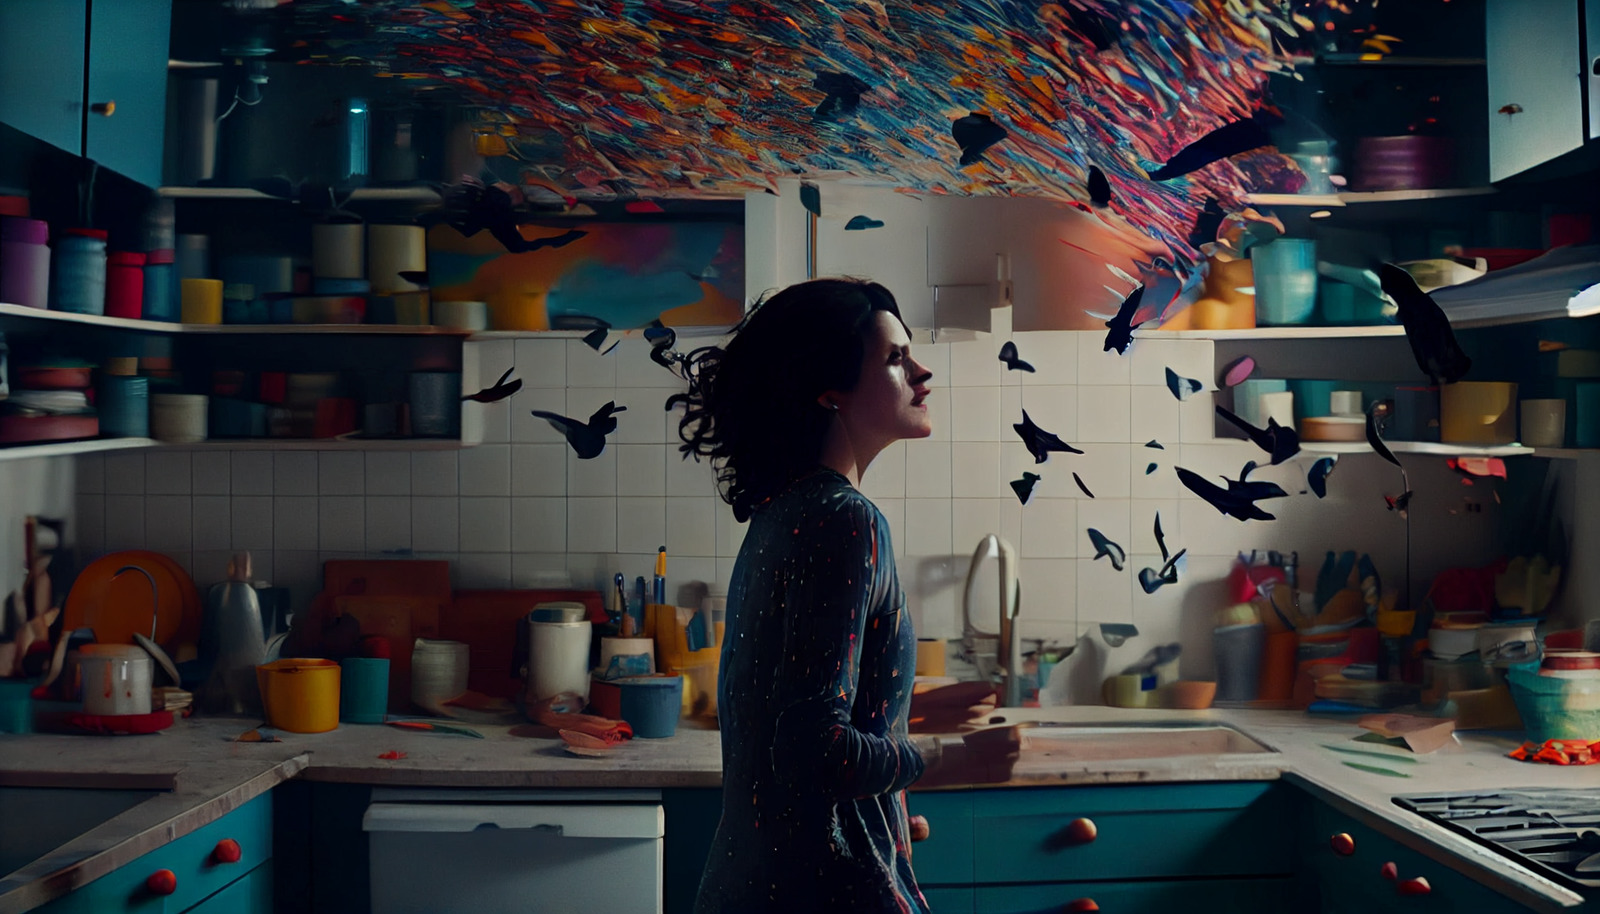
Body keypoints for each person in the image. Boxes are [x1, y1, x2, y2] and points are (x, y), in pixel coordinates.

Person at [672, 277, 1016, 914]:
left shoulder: (785, 511)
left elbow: (791, 709)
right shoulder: (845, 521)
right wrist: (948, 758)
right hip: (824, 893)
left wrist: (910, 715)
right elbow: (811, 750)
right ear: (828, 391)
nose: (922, 371)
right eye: (895, 357)